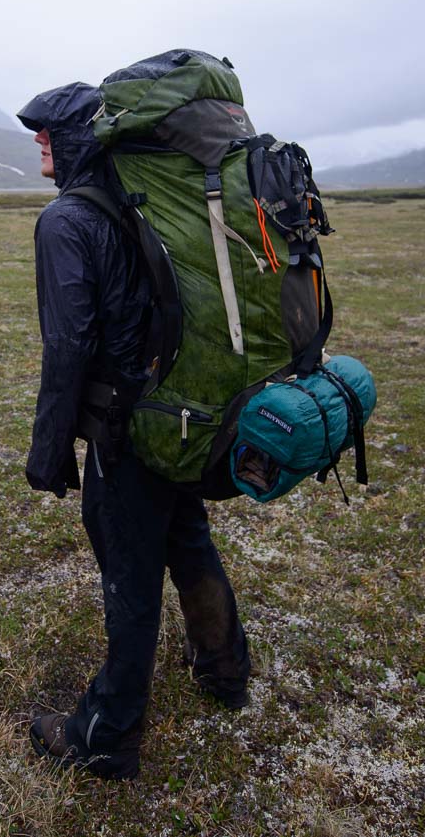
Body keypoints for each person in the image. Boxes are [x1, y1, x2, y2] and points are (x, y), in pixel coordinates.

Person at [16, 80, 252, 782]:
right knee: (186, 536)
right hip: (176, 414)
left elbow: (68, 347)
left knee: (129, 573)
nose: (37, 138)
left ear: (77, 137)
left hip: (125, 430)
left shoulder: (65, 222)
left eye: (47, 128)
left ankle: (107, 733)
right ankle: (225, 669)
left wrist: (49, 451)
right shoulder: (141, 200)